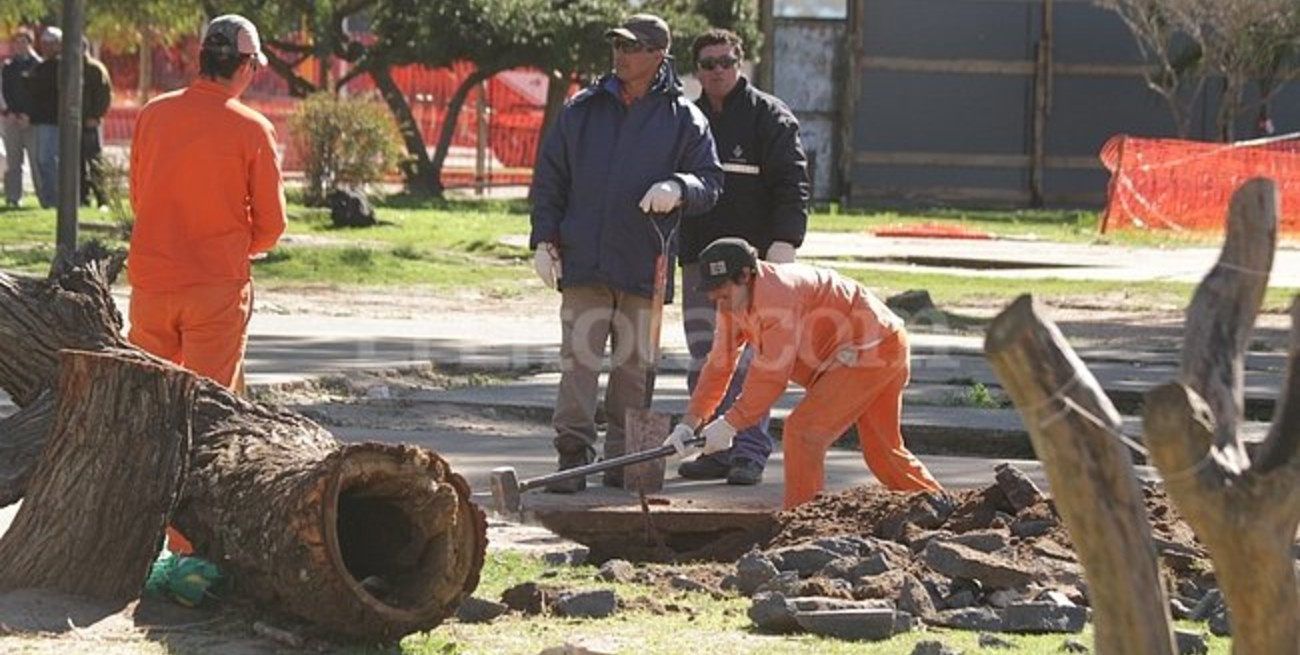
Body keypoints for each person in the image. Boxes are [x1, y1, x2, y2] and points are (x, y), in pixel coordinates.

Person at [530, 13, 723, 493]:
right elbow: (550, 178)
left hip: (645, 264)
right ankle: (572, 457)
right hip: (584, 261)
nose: (620, 55)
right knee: (578, 366)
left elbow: (712, 181)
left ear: (659, 54)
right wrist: (542, 237)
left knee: (633, 373)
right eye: (616, 46)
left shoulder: (684, 117)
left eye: (631, 47)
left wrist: (678, 186)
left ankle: (623, 461)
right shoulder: (581, 110)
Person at [663, 238, 943, 508]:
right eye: (712, 291)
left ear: (745, 275)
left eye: (721, 290)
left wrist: (730, 424)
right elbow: (719, 365)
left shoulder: (778, 297)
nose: (715, 298)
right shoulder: (733, 303)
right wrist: (689, 424)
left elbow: (771, 376)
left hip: (872, 350)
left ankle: (800, 523)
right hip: (873, 348)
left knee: (804, 432)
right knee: (883, 452)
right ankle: (943, 507)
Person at [676, 28, 810, 486]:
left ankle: (749, 451)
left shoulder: (769, 117)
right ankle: (714, 448)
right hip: (697, 259)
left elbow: (792, 184)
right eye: (708, 63)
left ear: (741, 63)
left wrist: (786, 241)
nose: (718, 70)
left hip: (751, 272)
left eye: (726, 62)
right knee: (705, 357)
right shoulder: (687, 119)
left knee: (755, 364)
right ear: (697, 70)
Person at [127, 13, 285, 393]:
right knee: (207, 406)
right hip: (215, 286)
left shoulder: (153, 114)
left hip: (151, 282)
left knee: (149, 401)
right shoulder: (252, 128)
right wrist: (242, 247)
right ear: (246, 67)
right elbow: (272, 223)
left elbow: (139, 196)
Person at [1, 28, 42, 208]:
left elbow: (41, 95)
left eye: (23, 42)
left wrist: (29, 115)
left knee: (36, 161)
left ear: (30, 44)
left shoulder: (38, 66)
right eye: (16, 42)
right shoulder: (7, 67)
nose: (19, 46)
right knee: (13, 161)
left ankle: (44, 197)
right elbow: (3, 91)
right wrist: (7, 111)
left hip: (32, 122)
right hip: (11, 120)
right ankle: (13, 197)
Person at [26, 26, 60, 208]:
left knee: (49, 161)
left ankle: (53, 200)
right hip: (40, 120)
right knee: (42, 161)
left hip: (54, 121)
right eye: (45, 43)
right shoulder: (40, 67)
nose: (47, 47)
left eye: (51, 43)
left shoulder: (63, 66)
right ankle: (48, 200)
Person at [80, 39, 112, 208]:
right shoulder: (70, 67)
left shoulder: (95, 69)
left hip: (90, 123)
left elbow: (104, 95)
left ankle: (102, 199)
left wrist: (96, 116)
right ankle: (82, 198)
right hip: (74, 123)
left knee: (94, 162)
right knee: (77, 164)